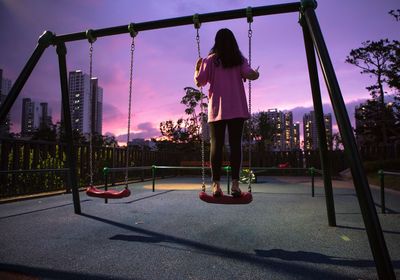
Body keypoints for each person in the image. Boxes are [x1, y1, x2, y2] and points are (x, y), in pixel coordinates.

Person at [194, 28, 260, 197]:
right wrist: (256, 73)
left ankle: (216, 185)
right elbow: (250, 75)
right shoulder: (239, 60)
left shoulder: (210, 60)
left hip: (216, 110)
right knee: (235, 145)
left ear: (217, 42)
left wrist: (197, 68)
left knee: (216, 145)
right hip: (237, 108)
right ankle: (236, 185)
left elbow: (199, 82)